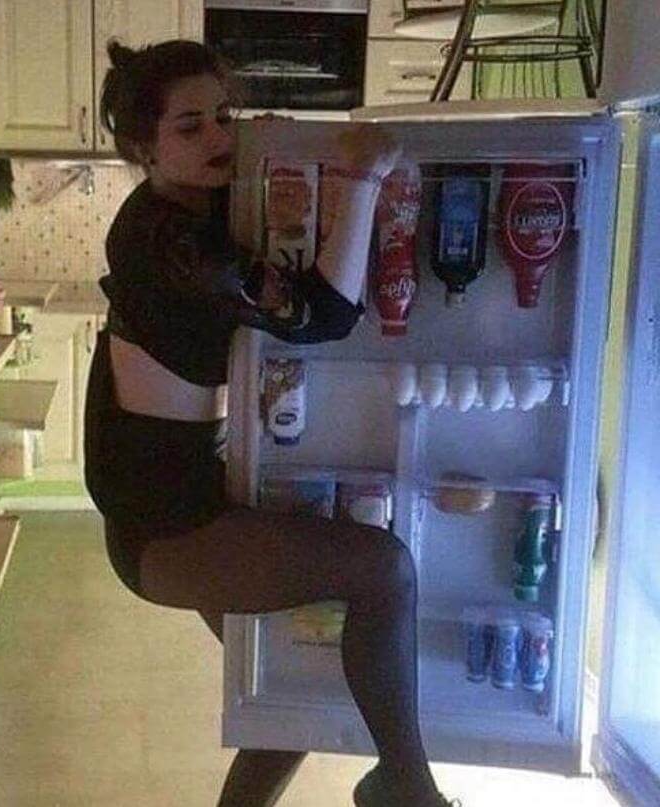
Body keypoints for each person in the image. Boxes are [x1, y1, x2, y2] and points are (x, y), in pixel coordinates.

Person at [84, 37, 461, 807]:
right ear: (143, 148)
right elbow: (323, 315)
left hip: (180, 501)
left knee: (286, 695)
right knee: (383, 571)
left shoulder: (191, 211)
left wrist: (299, 160)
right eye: (190, 126)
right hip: (167, 527)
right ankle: (405, 788)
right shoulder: (172, 242)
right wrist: (361, 178)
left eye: (224, 115)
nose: (219, 136)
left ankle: (394, 786)